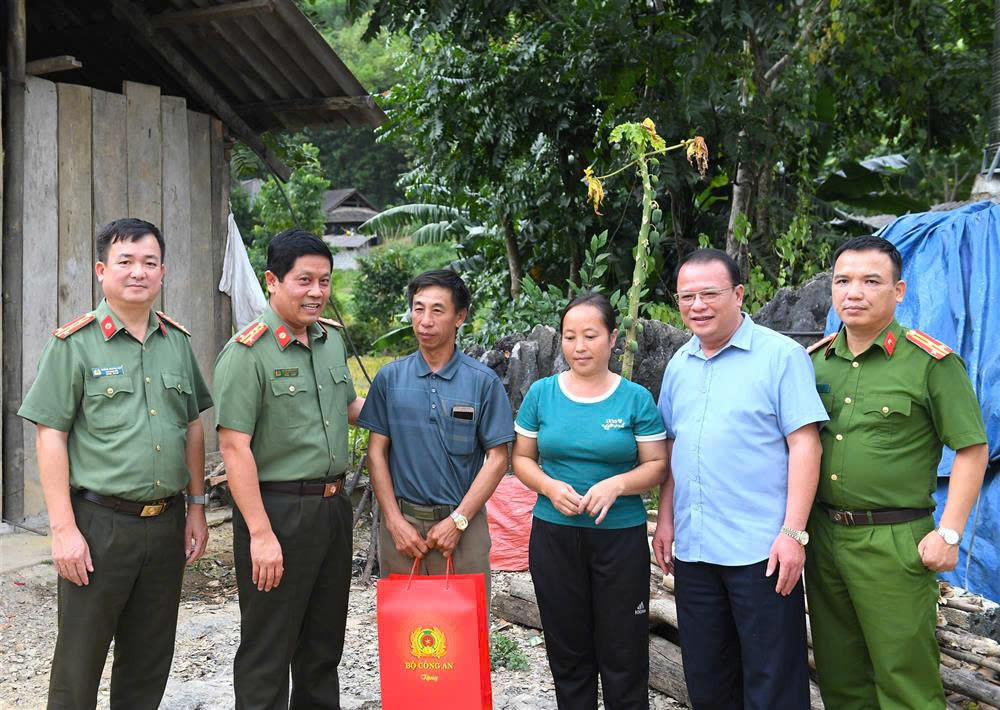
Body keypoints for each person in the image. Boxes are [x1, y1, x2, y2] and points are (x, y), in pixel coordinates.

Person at [17, 218, 213, 709]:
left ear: (162, 273)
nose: (138, 272)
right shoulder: (74, 344)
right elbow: (51, 435)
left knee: (149, 659)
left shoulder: (177, 342)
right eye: (125, 262)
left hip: (165, 522)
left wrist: (195, 507)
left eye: (149, 262)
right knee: (80, 662)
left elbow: (192, 427)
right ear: (102, 270)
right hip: (98, 524)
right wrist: (63, 529)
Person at [805, 235, 988, 709]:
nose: (854, 292)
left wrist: (949, 533)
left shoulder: (931, 363)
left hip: (895, 541)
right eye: (843, 281)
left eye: (871, 281)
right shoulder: (813, 362)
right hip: (824, 537)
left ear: (899, 291)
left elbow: (972, 448)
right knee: (840, 674)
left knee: (904, 678)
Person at [651, 248, 827, 710]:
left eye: (710, 293)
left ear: (739, 294)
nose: (698, 305)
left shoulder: (781, 356)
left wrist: (793, 533)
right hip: (695, 548)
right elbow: (673, 450)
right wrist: (665, 520)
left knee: (774, 679)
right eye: (687, 296)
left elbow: (806, 445)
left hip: (762, 551)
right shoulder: (679, 365)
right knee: (708, 677)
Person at [213, 229, 365, 709]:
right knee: (268, 647)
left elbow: (351, 407)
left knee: (323, 646)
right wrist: (260, 533)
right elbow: (234, 448)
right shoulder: (247, 352)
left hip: (332, 511)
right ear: (272, 281)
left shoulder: (329, 343)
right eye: (304, 280)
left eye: (324, 280)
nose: (317, 292)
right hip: (277, 512)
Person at [512, 292, 668, 710]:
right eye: (569, 337)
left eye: (590, 336)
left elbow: (656, 465)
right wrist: (548, 486)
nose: (579, 347)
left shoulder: (635, 398)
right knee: (568, 649)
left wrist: (617, 485)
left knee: (624, 649)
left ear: (613, 338)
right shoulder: (542, 394)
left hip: (618, 538)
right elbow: (522, 459)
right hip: (555, 536)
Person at [357, 269, 513, 600]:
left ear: (460, 316)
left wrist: (458, 521)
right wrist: (394, 522)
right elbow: (376, 453)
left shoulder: (482, 382)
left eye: (437, 310)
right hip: (402, 527)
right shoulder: (390, 379)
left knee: (467, 633)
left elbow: (498, 459)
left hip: (463, 525)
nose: (425, 320)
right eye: (418, 308)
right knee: (407, 634)